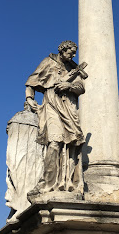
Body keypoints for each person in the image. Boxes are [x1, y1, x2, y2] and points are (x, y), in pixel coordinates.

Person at [25, 40, 87, 194]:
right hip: (51, 103)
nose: (72, 55)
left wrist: (70, 86)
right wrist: (29, 98)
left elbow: (81, 87)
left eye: (74, 53)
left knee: (72, 143)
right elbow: (32, 81)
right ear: (62, 50)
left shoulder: (74, 68)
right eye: (70, 52)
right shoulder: (48, 62)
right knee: (54, 142)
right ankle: (46, 183)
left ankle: (67, 182)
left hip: (69, 106)